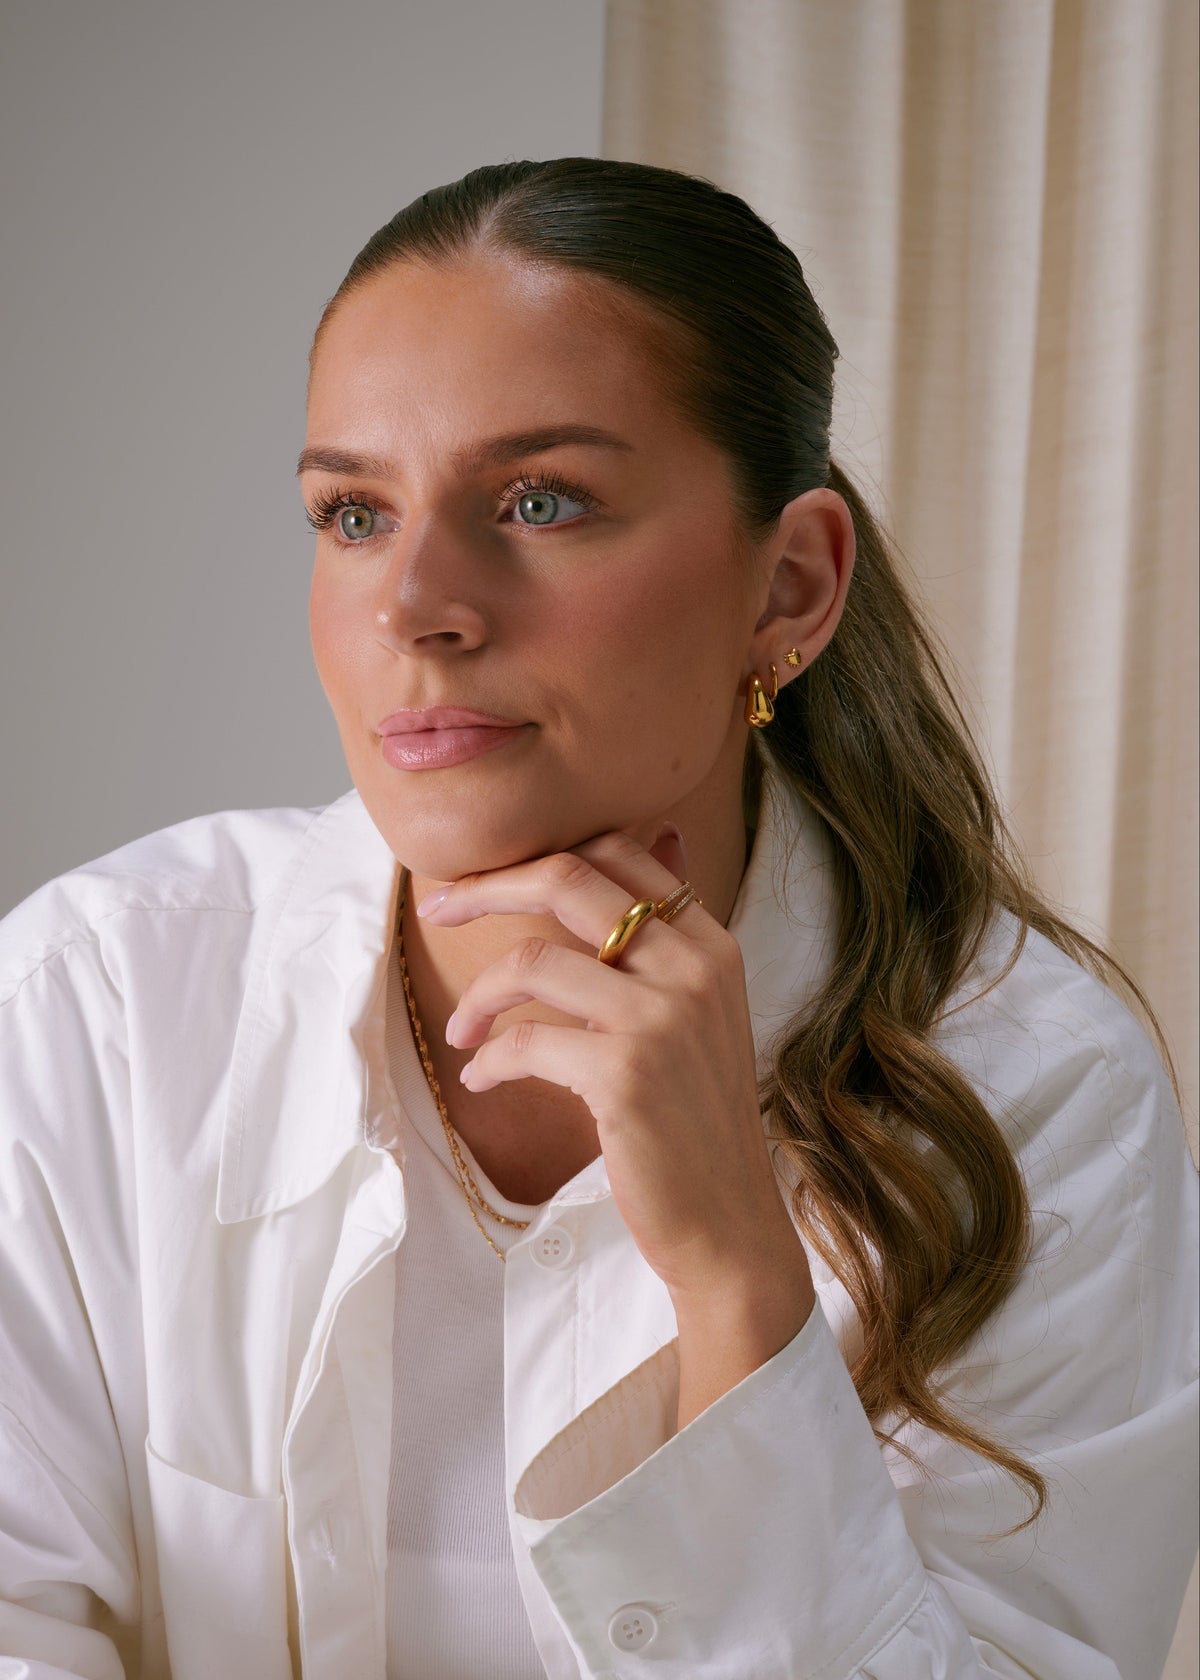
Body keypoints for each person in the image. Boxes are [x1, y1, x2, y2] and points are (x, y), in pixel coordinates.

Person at [0, 157, 1195, 1680]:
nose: (415, 603)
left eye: (540, 501)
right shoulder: (92, 1009)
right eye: (354, 513)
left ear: (790, 586)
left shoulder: (1040, 1099)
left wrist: (736, 1284)